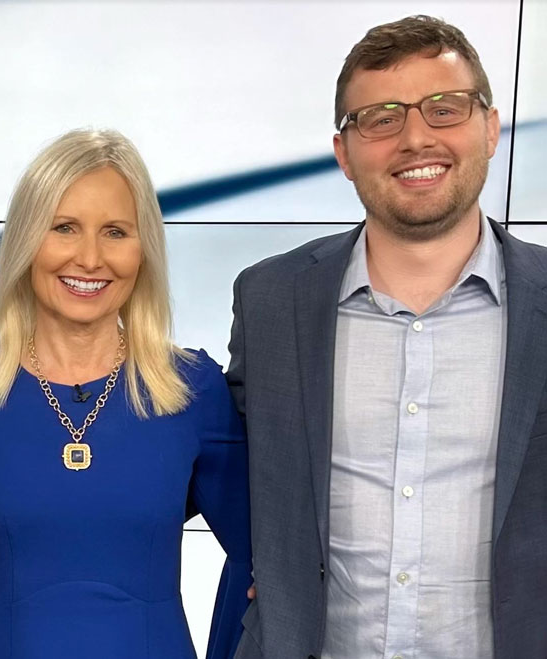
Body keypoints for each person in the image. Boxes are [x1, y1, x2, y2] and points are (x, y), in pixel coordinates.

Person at [219, 14, 547, 659]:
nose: (415, 138)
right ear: (344, 153)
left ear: (490, 128)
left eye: (444, 109)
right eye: (381, 118)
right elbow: (214, 460)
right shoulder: (269, 301)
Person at [0, 129, 250, 658]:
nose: (90, 258)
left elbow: (262, 561)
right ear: (26, 241)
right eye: (64, 228)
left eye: (115, 232)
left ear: (143, 250)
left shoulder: (192, 389)